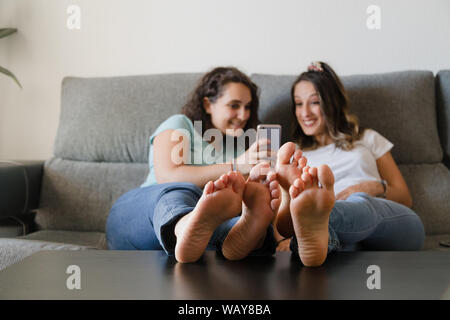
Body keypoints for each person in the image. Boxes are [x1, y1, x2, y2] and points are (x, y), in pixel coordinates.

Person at [106, 67, 281, 263]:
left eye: (248, 107)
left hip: (201, 236)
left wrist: (263, 181)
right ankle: (185, 226)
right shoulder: (181, 124)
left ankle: (238, 238)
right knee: (179, 192)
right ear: (207, 104)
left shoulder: (241, 148)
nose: (243, 115)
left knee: (237, 221)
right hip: (143, 217)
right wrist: (236, 166)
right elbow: (168, 176)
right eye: (234, 105)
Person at [274, 61, 425, 267]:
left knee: (360, 200)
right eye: (299, 104)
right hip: (340, 238)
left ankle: (319, 219)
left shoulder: (367, 138)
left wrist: (372, 187)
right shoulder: (295, 153)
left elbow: (405, 198)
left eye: (315, 102)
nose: (305, 112)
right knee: (346, 251)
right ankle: (319, 233)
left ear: (332, 103)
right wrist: (283, 239)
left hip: (392, 224)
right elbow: (279, 205)